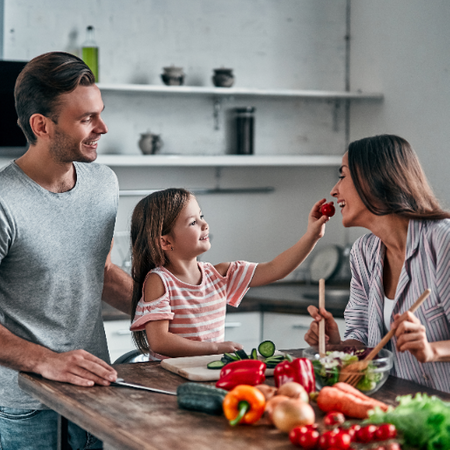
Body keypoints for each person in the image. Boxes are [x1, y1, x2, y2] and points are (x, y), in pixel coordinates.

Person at [0, 52, 133, 449]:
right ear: (42, 125)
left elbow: (102, 272)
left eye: (100, 113)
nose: (102, 128)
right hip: (28, 407)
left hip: (92, 392)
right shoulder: (5, 202)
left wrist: (173, 312)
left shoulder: (104, 184)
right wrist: (47, 361)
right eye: (86, 119)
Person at [305, 134, 450, 393]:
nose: (333, 190)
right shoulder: (364, 252)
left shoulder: (442, 242)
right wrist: (337, 344)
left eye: (343, 175)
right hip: (395, 406)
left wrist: (431, 350)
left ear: (374, 179)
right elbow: (362, 339)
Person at [130, 188, 329, 360]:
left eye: (202, 216)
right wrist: (215, 349)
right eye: (193, 222)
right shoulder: (159, 281)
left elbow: (275, 269)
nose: (204, 224)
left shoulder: (220, 275)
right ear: (165, 242)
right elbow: (160, 342)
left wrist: (312, 236)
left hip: (207, 371)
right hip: (167, 375)